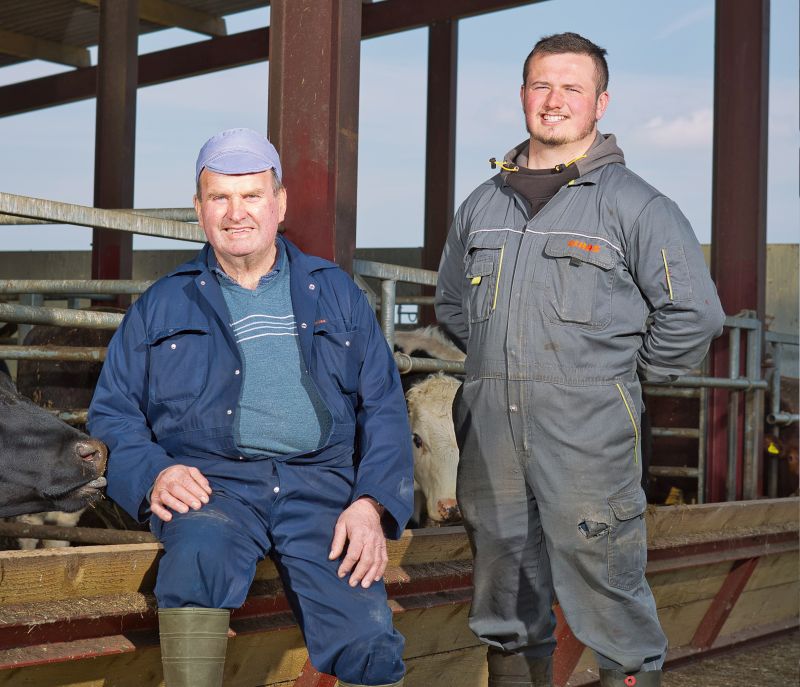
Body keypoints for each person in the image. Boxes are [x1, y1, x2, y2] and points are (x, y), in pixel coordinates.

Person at [435, 33, 725, 687]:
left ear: (600, 102)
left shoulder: (635, 205)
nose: (555, 100)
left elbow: (696, 314)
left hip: (588, 435)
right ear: (522, 96)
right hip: (492, 444)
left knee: (610, 598)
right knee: (505, 605)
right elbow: (452, 307)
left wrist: (616, 377)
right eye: (542, 85)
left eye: (572, 87)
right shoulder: (482, 206)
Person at [89, 128, 413, 687]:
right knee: (196, 552)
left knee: (367, 635)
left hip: (322, 489)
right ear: (199, 209)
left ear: (279, 203)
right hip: (215, 488)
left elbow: (383, 405)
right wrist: (154, 473)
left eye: (252, 196)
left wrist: (371, 504)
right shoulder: (161, 304)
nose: (236, 213)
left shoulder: (334, 292)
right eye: (220, 198)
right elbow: (113, 414)